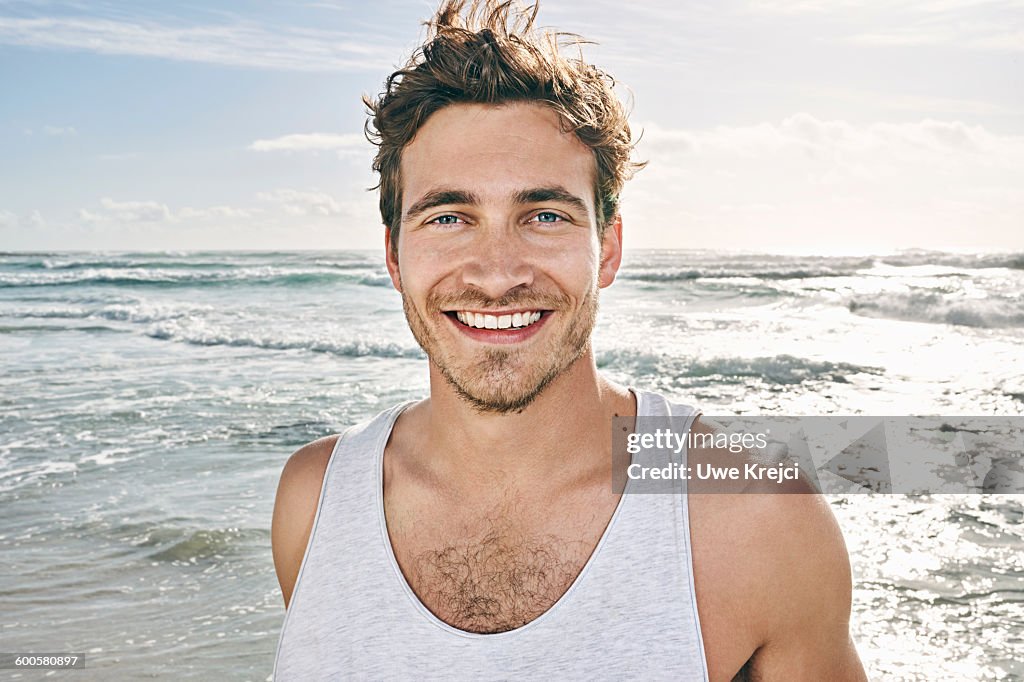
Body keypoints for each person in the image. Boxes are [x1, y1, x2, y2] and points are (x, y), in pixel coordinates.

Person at [271, 1, 867, 679]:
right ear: (394, 255)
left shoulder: (753, 519)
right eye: (449, 217)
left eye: (545, 215)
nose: (497, 275)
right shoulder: (315, 500)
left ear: (607, 250)